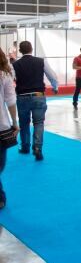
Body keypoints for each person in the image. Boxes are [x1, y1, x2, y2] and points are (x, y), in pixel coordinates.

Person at [12, 41, 58, 160]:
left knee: (23, 123)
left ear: (20, 51)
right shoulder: (41, 61)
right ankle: (37, 148)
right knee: (39, 123)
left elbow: (10, 79)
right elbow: (52, 76)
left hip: (22, 96)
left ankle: (25, 147)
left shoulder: (15, 64)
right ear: (32, 49)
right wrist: (55, 87)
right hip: (38, 96)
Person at [0, 48, 18, 210]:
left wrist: (14, 122)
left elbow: (11, 100)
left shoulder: (4, 76)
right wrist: (15, 123)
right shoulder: (4, 75)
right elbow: (11, 101)